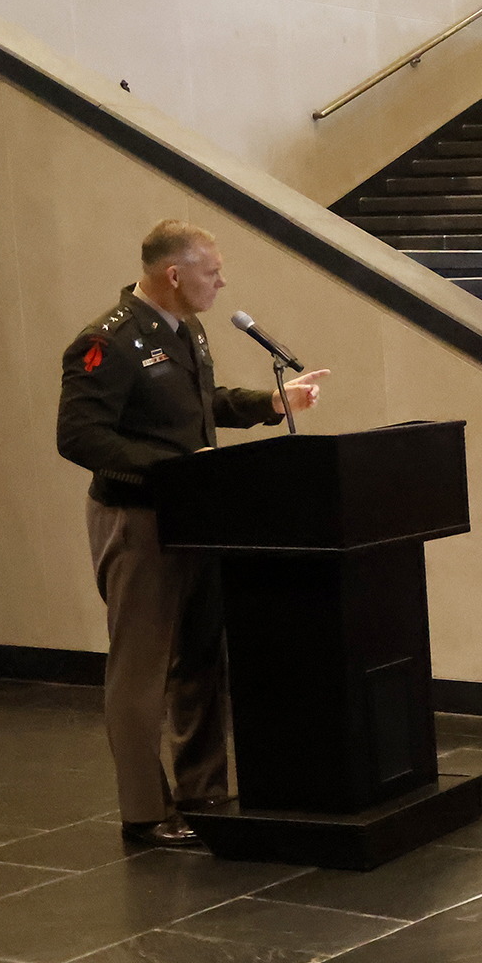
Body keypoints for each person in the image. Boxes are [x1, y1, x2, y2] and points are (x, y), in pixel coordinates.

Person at [56, 221, 328, 847]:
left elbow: (200, 406)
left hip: (197, 516)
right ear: (174, 275)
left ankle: (202, 792)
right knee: (142, 668)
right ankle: (145, 813)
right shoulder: (107, 342)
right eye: (212, 271)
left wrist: (271, 401)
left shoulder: (188, 330)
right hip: (138, 518)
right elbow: (78, 436)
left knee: (203, 657)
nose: (222, 281)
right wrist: (173, 472)